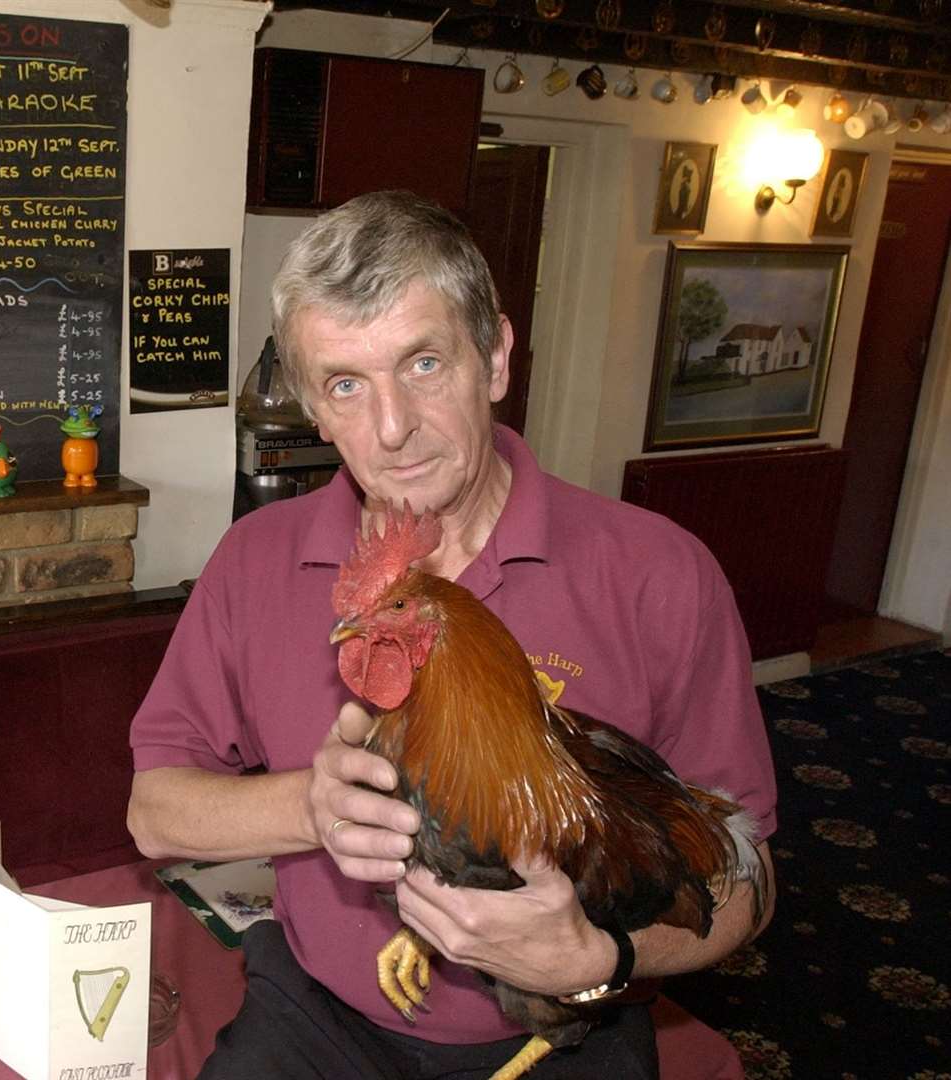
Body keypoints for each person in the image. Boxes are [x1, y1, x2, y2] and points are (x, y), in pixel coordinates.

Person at [127, 190, 777, 1078]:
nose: (391, 430)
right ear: (313, 410)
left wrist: (603, 958)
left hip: (567, 1024)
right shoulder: (254, 559)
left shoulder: (660, 571)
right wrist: (307, 809)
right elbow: (153, 813)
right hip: (319, 1010)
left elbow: (748, 883)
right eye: (346, 385)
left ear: (498, 358)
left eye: (424, 363)